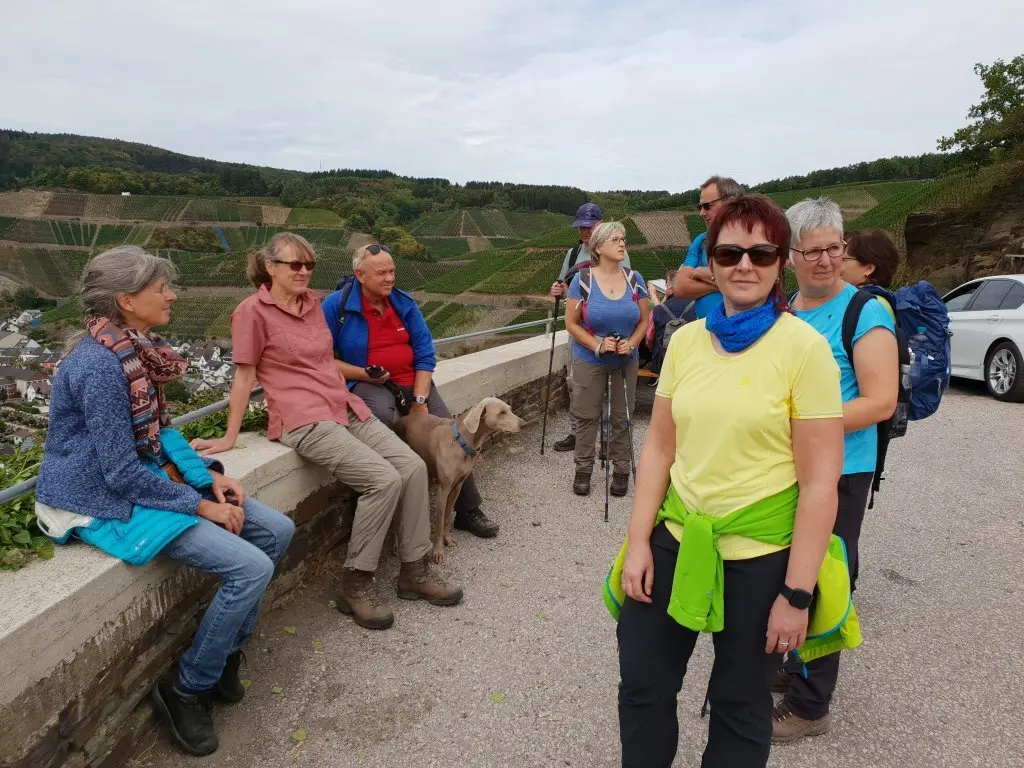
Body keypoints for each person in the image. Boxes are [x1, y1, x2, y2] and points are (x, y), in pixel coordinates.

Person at [35, 246, 296, 757]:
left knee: (278, 531)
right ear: (127, 300)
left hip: (144, 477)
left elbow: (160, 431)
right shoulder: (100, 367)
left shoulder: (132, 352)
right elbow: (119, 472)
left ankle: (223, 655)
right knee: (249, 568)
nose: (172, 295)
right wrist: (200, 505)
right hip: (98, 495)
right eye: (161, 289)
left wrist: (208, 478)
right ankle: (186, 687)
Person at [615, 195, 845, 767]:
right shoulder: (688, 340)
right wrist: (638, 541)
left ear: (779, 263)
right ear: (710, 262)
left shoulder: (804, 349)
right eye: (729, 252)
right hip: (677, 534)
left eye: (760, 251)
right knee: (642, 686)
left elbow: (820, 484)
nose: (745, 264)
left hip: (762, 554)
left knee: (740, 703)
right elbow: (661, 447)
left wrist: (796, 595)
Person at [191, 233, 462, 632]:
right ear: (270, 268)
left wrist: (363, 377)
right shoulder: (251, 312)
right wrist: (230, 437)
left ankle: (413, 570)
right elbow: (245, 376)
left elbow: (328, 364)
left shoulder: (314, 306)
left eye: (309, 265)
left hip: (342, 404)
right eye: (294, 265)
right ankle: (356, 584)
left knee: (411, 465)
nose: (303, 272)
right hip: (303, 417)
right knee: (382, 479)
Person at [775, 199, 899, 742]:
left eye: (834, 248)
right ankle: (786, 663)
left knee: (825, 579)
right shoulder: (784, 310)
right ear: (790, 257)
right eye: (812, 251)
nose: (825, 260)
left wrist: (801, 422)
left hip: (844, 469)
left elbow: (880, 401)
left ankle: (810, 704)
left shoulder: (865, 311)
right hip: (785, 469)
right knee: (785, 570)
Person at [321, 242, 499, 538]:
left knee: (456, 436)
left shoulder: (403, 303)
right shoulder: (335, 307)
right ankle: (392, 510)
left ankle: (468, 510)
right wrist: (363, 373)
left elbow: (425, 353)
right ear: (360, 275)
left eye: (392, 271)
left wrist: (419, 401)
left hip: (414, 381)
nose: (390, 278)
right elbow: (323, 359)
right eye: (381, 273)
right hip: (368, 382)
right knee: (380, 423)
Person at [563, 221, 649, 497]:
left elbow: (645, 320)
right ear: (598, 248)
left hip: (626, 359)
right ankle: (583, 469)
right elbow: (572, 324)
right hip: (590, 359)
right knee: (587, 415)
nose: (622, 243)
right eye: (615, 239)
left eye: (623, 239)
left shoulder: (635, 279)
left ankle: (621, 470)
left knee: (623, 416)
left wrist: (632, 343)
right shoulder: (583, 281)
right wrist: (597, 345)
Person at [549, 202, 631, 452]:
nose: (585, 231)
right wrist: (557, 291)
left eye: (590, 226)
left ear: (600, 226)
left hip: (606, 330)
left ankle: (606, 438)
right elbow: (565, 287)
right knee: (576, 383)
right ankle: (579, 433)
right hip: (579, 330)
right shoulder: (573, 254)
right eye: (582, 227)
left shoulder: (618, 252)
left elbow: (624, 288)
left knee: (607, 384)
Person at [673, 176, 743, 318]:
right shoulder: (701, 241)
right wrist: (729, 284)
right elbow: (680, 287)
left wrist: (701, 274)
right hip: (706, 332)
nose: (701, 213)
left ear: (730, 203)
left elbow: (757, 286)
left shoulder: (754, 239)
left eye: (707, 206)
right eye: (700, 207)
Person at [649, 269, 697, 380]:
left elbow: (649, 338)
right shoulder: (697, 306)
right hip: (689, 363)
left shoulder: (657, 310)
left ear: (670, 287)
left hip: (662, 363)